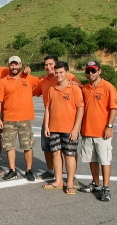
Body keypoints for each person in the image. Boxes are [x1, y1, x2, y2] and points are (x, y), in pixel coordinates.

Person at [33, 55, 82, 179]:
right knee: (48, 148)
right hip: (49, 121)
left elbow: (81, 91)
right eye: (46, 65)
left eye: (51, 64)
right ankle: (51, 171)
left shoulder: (67, 77)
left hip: (67, 122)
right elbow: (33, 92)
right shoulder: (43, 81)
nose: (48, 67)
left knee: (69, 151)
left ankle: (72, 176)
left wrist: (76, 84)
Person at [0, 56, 39, 181]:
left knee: (27, 146)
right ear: (8, 66)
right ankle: (12, 170)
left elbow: (42, 82)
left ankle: (29, 170)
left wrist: (29, 71)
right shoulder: (3, 82)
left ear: (20, 65)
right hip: (9, 119)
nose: (14, 67)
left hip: (25, 119)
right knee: (9, 146)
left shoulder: (28, 78)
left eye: (16, 64)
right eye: (11, 65)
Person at [80, 61, 117, 202]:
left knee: (104, 160)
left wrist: (109, 126)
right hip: (87, 131)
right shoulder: (85, 89)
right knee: (92, 160)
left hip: (102, 132)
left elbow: (113, 108)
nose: (90, 73)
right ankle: (96, 184)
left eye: (93, 71)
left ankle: (106, 188)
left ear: (99, 71)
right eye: (88, 71)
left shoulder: (108, 87)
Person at [42, 62, 84, 195]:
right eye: (57, 72)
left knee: (69, 155)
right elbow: (48, 108)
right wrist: (47, 126)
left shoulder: (74, 89)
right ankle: (58, 181)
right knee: (55, 153)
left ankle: (70, 182)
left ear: (67, 73)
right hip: (54, 128)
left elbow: (80, 109)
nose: (59, 75)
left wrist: (76, 129)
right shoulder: (52, 88)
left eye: (61, 72)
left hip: (69, 129)